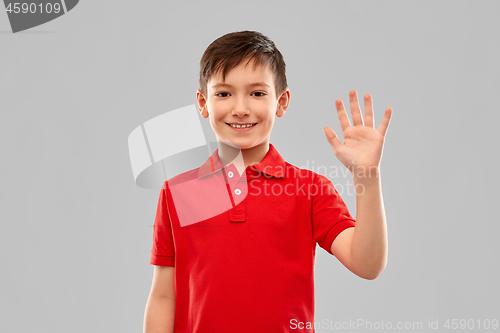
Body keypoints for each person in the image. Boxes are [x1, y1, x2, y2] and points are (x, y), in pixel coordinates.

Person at [143, 30, 392, 333]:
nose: (240, 108)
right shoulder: (177, 192)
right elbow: (164, 296)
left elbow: (367, 264)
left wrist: (367, 176)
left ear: (281, 101)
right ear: (203, 102)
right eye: (224, 93)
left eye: (257, 93)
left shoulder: (310, 189)